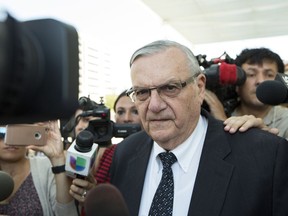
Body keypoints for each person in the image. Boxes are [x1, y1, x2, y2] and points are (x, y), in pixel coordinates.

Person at [71, 40, 288, 215]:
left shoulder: (266, 156)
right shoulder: (123, 154)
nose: (154, 106)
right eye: (142, 92)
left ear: (200, 87)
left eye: (170, 88)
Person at [205, 47, 288, 139]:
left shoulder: (286, 119)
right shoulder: (216, 111)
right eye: (251, 74)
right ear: (236, 83)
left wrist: (222, 122)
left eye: (269, 75)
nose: (260, 81)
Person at [0, 121, 78, 216]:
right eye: (2, 133)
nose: (9, 140)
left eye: (17, 133)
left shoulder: (47, 167)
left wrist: (57, 158)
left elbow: (67, 213)